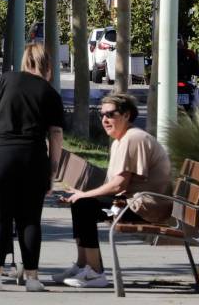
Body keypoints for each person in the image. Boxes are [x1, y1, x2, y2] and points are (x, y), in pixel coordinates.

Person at [0, 43, 64, 292]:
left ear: (25, 61)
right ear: (48, 66)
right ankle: (32, 278)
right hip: (32, 158)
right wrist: (53, 169)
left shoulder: (7, 80)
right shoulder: (50, 93)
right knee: (30, 220)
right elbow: (56, 134)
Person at [55, 93, 172, 289]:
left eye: (110, 114)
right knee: (80, 203)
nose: (105, 119)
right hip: (134, 202)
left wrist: (84, 194)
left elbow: (119, 185)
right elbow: (116, 185)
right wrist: (80, 193)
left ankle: (95, 273)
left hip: (146, 207)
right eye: (102, 115)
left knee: (84, 204)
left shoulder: (133, 139)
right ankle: (83, 264)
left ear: (126, 115)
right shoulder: (121, 139)